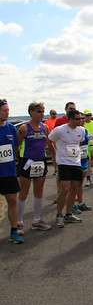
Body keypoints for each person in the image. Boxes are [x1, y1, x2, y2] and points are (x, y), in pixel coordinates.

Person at [16, 102, 53, 234]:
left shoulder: (45, 127)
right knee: (24, 193)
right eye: (39, 111)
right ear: (31, 112)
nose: (42, 114)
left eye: (43, 111)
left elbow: (48, 143)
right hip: (27, 161)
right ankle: (19, 222)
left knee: (39, 191)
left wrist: (55, 155)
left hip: (40, 161)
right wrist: (20, 159)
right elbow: (17, 145)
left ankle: (37, 220)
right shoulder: (24, 128)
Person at [47, 109, 85, 227]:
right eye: (78, 119)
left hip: (76, 163)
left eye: (81, 118)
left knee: (74, 189)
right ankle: (59, 215)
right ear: (71, 119)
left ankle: (68, 214)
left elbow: (78, 144)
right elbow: (49, 140)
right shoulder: (60, 130)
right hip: (64, 163)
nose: (81, 121)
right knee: (65, 189)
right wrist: (55, 152)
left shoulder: (82, 130)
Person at [0, 99, 24, 243]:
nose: (7, 112)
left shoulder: (11, 128)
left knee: (13, 200)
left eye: (8, 110)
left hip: (8, 172)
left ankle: (14, 231)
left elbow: (15, 148)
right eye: (4, 110)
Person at [83, 109, 93, 187]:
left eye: (89, 115)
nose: (88, 117)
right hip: (87, 146)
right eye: (87, 115)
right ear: (84, 116)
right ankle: (88, 179)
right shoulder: (83, 125)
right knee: (89, 163)